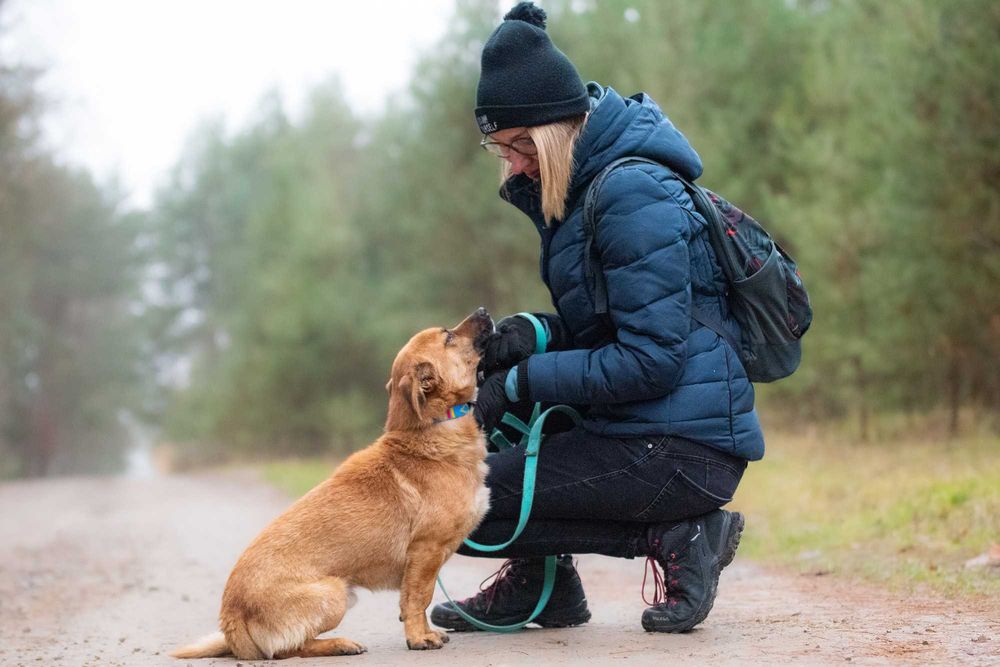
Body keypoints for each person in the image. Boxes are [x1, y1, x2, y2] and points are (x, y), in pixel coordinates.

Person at [430, 2, 764, 634]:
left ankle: (682, 531)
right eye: (500, 149)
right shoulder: (587, 193)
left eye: (522, 145)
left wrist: (525, 383)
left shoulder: (631, 193)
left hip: (681, 446)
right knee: (456, 480)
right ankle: (544, 587)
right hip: (644, 428)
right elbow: (608, 327)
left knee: (456, 501)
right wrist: (529, 337)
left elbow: (651, 360)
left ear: (557, 129)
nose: (515, 164)